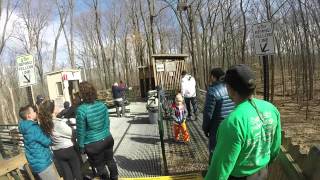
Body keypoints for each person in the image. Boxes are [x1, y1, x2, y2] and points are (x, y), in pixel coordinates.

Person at [205, 64, 281, 180]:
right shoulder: (271, 108)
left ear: (230, 89)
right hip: (263, 172)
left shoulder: (233, 122)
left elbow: (219, 170)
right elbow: (275, 148)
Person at [76, 81, 118, 180]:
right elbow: (107, 122)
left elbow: (80, 131)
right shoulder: (102, 105)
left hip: (93, 144)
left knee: (100, 167)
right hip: (107, 139)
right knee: (110, 160)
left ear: (82, 94)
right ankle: (115, 177)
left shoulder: (81, 110)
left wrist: (81, 146)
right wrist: (105, 132)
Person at [38, 100, 82, 180]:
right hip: (69, 150)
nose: (58, 107)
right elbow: (72, 133)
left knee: (68, 176)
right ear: (52, 110)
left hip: (57, 151)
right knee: (77, 173)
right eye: (55, 106)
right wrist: (76, 129)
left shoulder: (45, 123)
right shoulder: (57, 123)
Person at [202, 68, 235, 164]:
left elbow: (208, 113)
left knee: (214, 151)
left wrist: (205, 128)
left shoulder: (212, 91)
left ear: (213, 77)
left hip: (217, 126)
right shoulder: (230, 88)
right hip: (231, 123)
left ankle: (213, 173)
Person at [18, 105, 59, 180]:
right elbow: (47, 141)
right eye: (33, 111)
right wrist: (51, 134)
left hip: (37, 162)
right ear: (29, 115)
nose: (35, 112)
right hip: (43, 163)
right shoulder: (32, 128)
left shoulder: (26, 127)